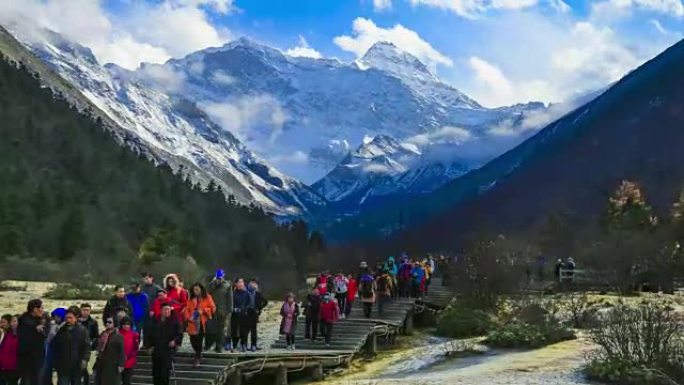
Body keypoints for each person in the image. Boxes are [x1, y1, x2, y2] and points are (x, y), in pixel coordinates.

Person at [51, 308, 89, 385]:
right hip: (63, 366)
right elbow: (55, 346)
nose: (68, 320)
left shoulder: (82, 330)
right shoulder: (61, 330)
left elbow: (86, 347)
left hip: (77, 365)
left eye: (70, 318)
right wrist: (55, 363)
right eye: (66, 318)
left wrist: (85, 359)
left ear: (76, 318)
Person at [184, 283, 216, 367]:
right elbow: (187, 309)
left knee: (199, 340)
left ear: (201, 289)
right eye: (194, 290)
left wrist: (204, 310)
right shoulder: (191, 299)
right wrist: (188, 317)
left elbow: (213, 308)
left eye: (197, 289)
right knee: (192, 340)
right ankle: (198, 352)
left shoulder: (207, 297)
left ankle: (197, 359)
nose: (196, 291)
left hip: (202, 322)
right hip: (192, 322)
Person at [151, 304, 182, 385]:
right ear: (161, 310)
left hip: (168, 349)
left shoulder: (174, 322)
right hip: (157, 349)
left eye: (168, 309)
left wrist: (174, 341)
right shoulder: (156, 321)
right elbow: (149, 334)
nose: (167, 311)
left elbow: (179, 334)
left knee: (164, 371)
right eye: (165, 309)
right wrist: (149, 346)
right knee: (156, 371)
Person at [17, 299, 46, 385]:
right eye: (41, 307)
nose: (43, 310)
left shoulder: (43, 319)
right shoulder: (24, 320)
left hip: (38, 356)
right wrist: (35, 329)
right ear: (35, 309)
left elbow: (46, 333)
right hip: (26, 356)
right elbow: (24, 336)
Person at [93, 316, 125, 385]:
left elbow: (121, 352)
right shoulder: (103, 334)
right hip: (101, 364)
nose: (107, 323)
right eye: (106, 322)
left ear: (115, 323)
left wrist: (121, 364)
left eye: (110, 322)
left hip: (112, 366)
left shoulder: (118, 337)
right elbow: (98, 348)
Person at [207, 269, 232, 353]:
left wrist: (230, 310)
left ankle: (219, 346)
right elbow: (207, 296)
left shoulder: (227, 286)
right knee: (211, 329)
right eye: (218, 278)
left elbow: (230, 299)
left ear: (223, 277)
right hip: (212, 310)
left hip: (222, 311)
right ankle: (209, 345)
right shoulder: (211, 285)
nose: (219, 279)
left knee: (221, 330)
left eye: (220, 278)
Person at [163, 274, 188, 341]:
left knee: (178, 329)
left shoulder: (180, 290)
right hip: (167, 313)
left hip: (178, 313)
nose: (170, 283)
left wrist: (174, 307)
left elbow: (184, 303)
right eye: (169, 282)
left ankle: (177, 342)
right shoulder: (165, 291)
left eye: (172, 281)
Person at [78, 304, 98, 385]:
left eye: (87, 310)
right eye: (84, 310)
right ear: (81, 310)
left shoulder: (93, 322)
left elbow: (96, 336)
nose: (86, 312)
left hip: (87, 348)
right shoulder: (76, 321)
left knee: (86, 368)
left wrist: (92, 342)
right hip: (76, 347)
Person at [245, 279, 267, 352]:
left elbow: (265, 301)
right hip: (247, 312)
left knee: (253, 329)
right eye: (252, 283)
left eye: (254, 283)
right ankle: (244, 345)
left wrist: (259, 309)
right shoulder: (246, 292)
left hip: (254, 312)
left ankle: (253, 345)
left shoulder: (258, 293)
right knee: (246, 329)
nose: (253, 285)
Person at [141, 273, 162, 349]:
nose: (145, 280)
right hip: (144, 312)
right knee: (145, 329)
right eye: (144, 279)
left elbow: (159, 300)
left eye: (147, 278)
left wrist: (153, 309)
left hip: (154, 312)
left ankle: (153, 344)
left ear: (151, 278)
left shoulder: (157, 288)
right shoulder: (142, 289)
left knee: (154, 329)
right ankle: (145, 344)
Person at [118, 317, 139, 385]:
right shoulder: (117, 334)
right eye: (124, 324)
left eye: (128, 324)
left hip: (129, 361)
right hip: (118, 362)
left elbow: (136, 348)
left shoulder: (134, 334)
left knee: (127, 381)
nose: (126, 325)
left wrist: (129, 356)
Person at [231, 278, 250, 353]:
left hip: (244, 314)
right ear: (236, 284)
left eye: (242, 282)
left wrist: (245, 309)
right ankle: (235, 346)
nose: (241, 283)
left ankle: (244, 344)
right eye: (239, 282)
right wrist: (234, 309)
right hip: (235, 314)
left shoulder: (246, 293)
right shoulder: (233, 293)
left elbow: (249, 303)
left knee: (244, 331)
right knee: (234, 331)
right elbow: (230, 303)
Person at [0, 314, 19, 385]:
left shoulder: (14, 335)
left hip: (12, 368)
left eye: (3, 322)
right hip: (3, 367)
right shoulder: (4, 334)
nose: (1, 325)